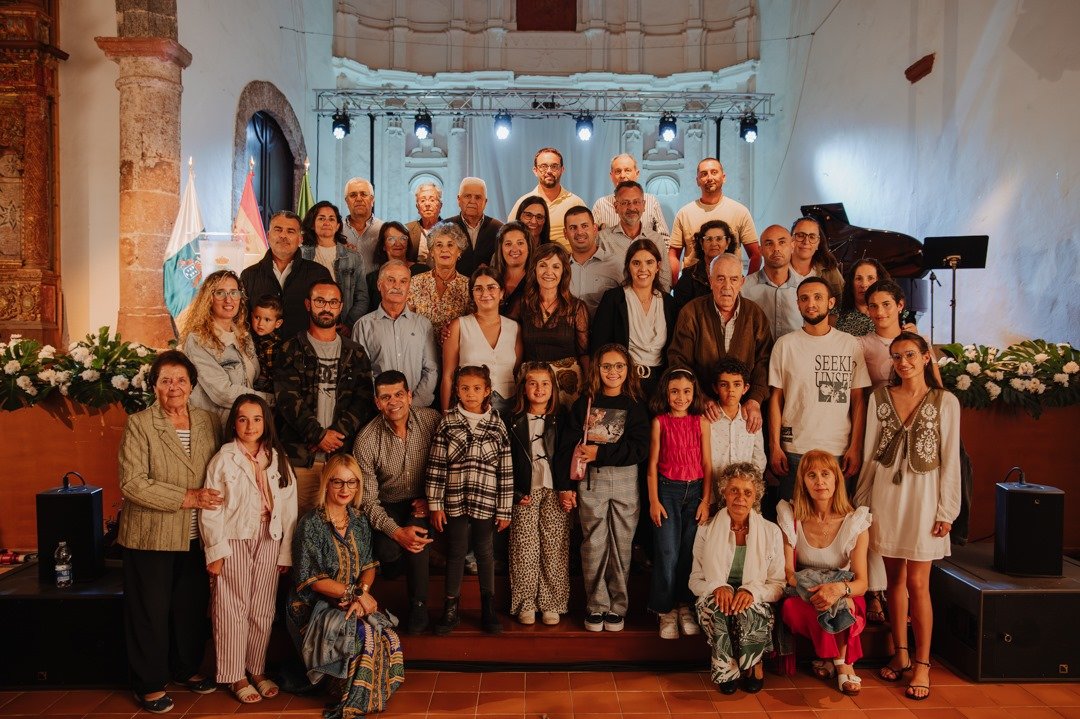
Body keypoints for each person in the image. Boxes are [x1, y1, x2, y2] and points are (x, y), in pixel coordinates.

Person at [855, 332, 961, 702]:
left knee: (919, 582)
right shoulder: (879, 399)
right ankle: (899, 651)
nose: (903, 363)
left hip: (925, 497)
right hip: (887, 493)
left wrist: (948, 509)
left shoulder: (944, 401)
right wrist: (863, 500)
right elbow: (870, 452)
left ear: (926, 357)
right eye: (896, 357)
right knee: (893, 578)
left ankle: (922, 662)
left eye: (910, 355)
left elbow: (950, 460)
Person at [117, 350, 223, 714]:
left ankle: (185, 670)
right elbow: (132, 483)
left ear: (192, 384)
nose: (174, 386)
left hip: (196, 536)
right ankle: (148, 683)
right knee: (151, 611)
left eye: (180, 379)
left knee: (189, 608)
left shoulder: (209, 422)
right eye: (165, 380)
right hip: (151, 535)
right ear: (154, 387)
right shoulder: (140, 424)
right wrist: (188, 497)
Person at [288, 455, 404, 718]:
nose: (345, 489)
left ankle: (367, 695)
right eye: (338, 482)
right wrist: (354, 594)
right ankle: (349, 695)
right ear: (326, 483)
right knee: (362, 634)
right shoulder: (311, 524)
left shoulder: (360, 520)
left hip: (350, 600)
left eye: (351, 483)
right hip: (312, 606)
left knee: (387, 635)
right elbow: (312, 580)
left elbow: (368, 566)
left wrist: (360, 594)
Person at [200, 394, 297, 704]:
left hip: (269, 537)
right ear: (234, 424)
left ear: (265, 422)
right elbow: (211, 509)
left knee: (262, 609)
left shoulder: (277, 458)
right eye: (243, 419)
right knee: (232, 608)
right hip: (234, 540)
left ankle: (256, 668)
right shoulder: (223, 459)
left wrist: (285, 552)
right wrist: (215, 550)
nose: (250, 425)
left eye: (256, 419)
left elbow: (290, 508)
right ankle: (234, 674)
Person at [556, 344, 650, 632]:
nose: (613, 372)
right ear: (596, 369)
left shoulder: (635, 404)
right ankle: (596, 605)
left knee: (621, 545)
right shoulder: (584, 402)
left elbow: (640, 448)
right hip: (591, 480)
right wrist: (565, 486)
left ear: (628, 370)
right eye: (606, 366)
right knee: (594, 542)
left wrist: (601, 453)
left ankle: (618, 607)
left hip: (624, 480)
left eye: (619, 366)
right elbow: (565, 447)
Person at [274, 280, 376, 515]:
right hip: (300, 459)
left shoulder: (355, 352)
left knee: (335, 528)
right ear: (308, 305)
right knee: (296, 527)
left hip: (340, 461)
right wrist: (317, 435)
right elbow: (287, 399)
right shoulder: (290, 349)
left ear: (341, 307)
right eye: (320, 301)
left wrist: (334, 435)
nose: (326, 308)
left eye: (332, 302)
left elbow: (362, 400)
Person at [426, 365, 514, 636]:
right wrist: (435, 504)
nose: (471, 394)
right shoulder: (448, 422)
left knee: (485, 552)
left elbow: (506, 469)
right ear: (457, 391)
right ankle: (450, 608)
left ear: (487, 390)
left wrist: (505, 509)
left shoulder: (497, 423)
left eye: (477, 388)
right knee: (456, 552)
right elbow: (436, 465)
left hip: (486, 500)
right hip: (454, 499)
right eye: (465, 388)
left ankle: (488, 608)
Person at [353, 371, 441, 635]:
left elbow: (451, 466)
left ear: (410, 396)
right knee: (389, 550)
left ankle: (418, 604)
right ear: (377, 402)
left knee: (418, 536)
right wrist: (395, 532)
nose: (394, 402)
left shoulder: (432, 421)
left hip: (423, 501)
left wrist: (432, 497)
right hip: (387, 504)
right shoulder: (366, 440)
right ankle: (397, 564)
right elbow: (368, 500)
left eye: (399, 394)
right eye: (386, 397)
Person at [776, 450, 870, 696]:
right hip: (805, 590)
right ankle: (843, 662)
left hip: (843, 589)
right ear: (803, 482)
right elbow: (788, 570)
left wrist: (837, 590)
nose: (819, 481)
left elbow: (862, 583)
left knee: (842, 605)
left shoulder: (855, 521)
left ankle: (838, 663)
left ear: (837, 479)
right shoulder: (791, 515)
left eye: (826, 474)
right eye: (812, 475)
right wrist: (815, 589)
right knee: (793, 608)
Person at [768, 277, 870, 501]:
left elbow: (858, 400)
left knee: (835, 520)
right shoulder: (785, 345)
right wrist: (774, 446)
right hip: (795, 448)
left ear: (831, 302)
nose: (810, 303)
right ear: (798, 304)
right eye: (804, 298)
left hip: (838, 450)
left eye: (817, 297)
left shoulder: (849, 344)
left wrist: (856, 446)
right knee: (792, 520)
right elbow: (776, 398)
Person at [689, 463, 784, 695]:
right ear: (724, 493)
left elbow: (778, 585)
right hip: (715, 597)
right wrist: (717, 586)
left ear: (755, 498)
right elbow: (694, 580)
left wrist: (752, 592)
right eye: (734, 490)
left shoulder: (771, 532)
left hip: (755, 597)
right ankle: (727, 668)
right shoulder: (706, 529)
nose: (740, 497)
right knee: (719, 608)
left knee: (748, 609)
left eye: (747, 492)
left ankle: (755, 663)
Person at [668, 253, 773, 431]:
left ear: (742, 282)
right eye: (720, 279)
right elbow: (679, 361)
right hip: (701, 410)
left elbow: (765, 361)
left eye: (733, 279)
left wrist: (755, 399)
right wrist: (701, 398)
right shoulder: (691, 312)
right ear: (710, 280)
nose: (727, 287)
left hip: (744, 412)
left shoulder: (755, 315)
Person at [647, 368, 712, 639]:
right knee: (667, 553)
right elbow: (651, 465)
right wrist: (653, 501)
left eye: (686, 391)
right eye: (674, 391)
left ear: (694, 393)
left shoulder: (701, 422)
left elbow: (708, 464)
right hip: (667, 492)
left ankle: (685, 605)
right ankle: (664, 609)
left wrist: (706, 501)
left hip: (695, 492)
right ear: (666, 392)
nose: (680, 397)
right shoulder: (660, 422)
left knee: (688, 553)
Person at [505, 361, 570, 626]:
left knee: (554, 548)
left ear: (553, 389)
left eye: (545, 383)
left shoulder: (563, 419)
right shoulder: (512, 421)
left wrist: (567, 489)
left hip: (554, 490)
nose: (539, 388)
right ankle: (526, 602)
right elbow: (505, 461)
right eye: (533, 383)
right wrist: (514, 492)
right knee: (524, 548)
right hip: (525, 491)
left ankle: (552, 602)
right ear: (523, 389)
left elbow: (567, 455)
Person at [590, 238, 677, 400]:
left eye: (649, 262)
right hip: (622, 384)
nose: (643, 269)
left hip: (660, 387)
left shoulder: (669, 304)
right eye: (636, 263)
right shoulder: (613, 299)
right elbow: (599, 346)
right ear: (628, 267)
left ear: (658, 266)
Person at [181, 269, 269, 424]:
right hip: (217, 427)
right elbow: (223, 393)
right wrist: (270, 400)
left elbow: (252, 379)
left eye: (234, 292)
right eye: (220, 293)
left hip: (246, 426)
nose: (229, 300)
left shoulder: (244, 336)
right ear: (209, 298)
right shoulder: (198, 339)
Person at [511, 242, 590, 406]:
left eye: (556, 266)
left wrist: (590, 387)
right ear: (534, 269)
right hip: (533, 386)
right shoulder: (522, 304)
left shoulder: (576, 308)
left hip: (568, 386)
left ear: (564, 272)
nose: (549, 272)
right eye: (543, 265)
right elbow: (502, 334)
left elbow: (584, 354)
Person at [352, 260, 439, 409]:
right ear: (379, 285)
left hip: (417, 409)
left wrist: (414, 404)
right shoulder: (363, 326)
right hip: (378, 411)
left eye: (403, 281)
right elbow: (360, 374)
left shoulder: (423, 325)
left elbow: (431, 370)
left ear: (409, 287)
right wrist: (386, 404)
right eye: (391, 280)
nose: (397, 286)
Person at [441, 267, 523, 414]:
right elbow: (448, 376)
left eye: (491, 287)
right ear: (472, 295)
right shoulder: (458, 326)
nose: (485, 294)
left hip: (509, 410)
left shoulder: (514, 328)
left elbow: (516, 371)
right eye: (478, 289)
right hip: (469, 409)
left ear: (502, 292)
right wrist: (446, 414)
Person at [240, 210, 332, 341]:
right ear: (268, 235)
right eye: (278, 230)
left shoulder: (318, 274)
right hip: (261, 356)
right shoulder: (249, 276)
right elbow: (240, 321)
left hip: (305, 354)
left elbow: (328, 317)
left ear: (300, 239)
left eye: (290, 231)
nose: (283, 235)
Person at [669, 158, 761, 280]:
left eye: (714, 172)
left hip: (729, 284)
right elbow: (673, 254)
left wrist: (747, 284)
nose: (709, 178)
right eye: (704, 174)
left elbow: (755, 254)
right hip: (693, 285)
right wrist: (675, 283)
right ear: (697, 181)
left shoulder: (740, 212)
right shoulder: (684, 213)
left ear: (723, 177)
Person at [300, 201, 369, 327]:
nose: (326, 223)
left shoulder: (354, 257)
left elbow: (362, 297)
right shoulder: (300, 254)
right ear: (312, 224)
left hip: (341, 325)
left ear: (337, 226)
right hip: (307, 325)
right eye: (321, 218)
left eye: (331, 219)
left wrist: (348, 325)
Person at [597, 180, 672, 292]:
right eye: (625, 203)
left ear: (644, 205)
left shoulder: (656, 239)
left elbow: (664, 280)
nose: (631, 208)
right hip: (614, 305)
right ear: (616, 207)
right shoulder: (602, 238)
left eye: (636, 202)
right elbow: (599, 280)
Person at [407, 221, 471, 347]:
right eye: (439, 245)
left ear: (459, 252)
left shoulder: (468, 285)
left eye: (450, 245)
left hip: (457, 351)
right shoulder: (416, 282)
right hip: (420, 349)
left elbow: (472, 327)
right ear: (431, 252)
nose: (444, 250)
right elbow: (407, 322)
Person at [508, 147, 585, 250]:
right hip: (531, 262)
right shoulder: (523, 203)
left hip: (568, 262)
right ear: (535, 170)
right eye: (543, 166)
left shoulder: (575, 203)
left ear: (562, 170)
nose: (549, 171)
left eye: (554, 166)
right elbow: (509, 235)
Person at [741, 225, 805, 339]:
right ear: (760, 250)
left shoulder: (805, 288)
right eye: (769, 243)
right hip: (756, 356)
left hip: (794, 355)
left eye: (782, 242)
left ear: (792, 246)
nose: (776, 248)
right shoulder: (743, 288)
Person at [709, 358, 767, 483]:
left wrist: (752, 487)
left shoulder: (752, 418)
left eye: (737, 384)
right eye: (724, 384)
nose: (731, 390)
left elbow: (758, 458)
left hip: (744, 491)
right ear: (715, 388)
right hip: (713, 488)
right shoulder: (709, 419)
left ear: (745, 388)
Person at [591, 153, 670, 235]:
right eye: (618, 171)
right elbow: (591, 239)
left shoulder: (651, 201)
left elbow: (664, 238)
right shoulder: (601, 205)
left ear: (637, 174)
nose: (622, 175)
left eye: (627, 170)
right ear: (611, 176)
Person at [565, 205, 623, 317]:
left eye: (585, 226)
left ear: (595, 229)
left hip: (605, 333)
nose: (579, 232)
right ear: (565, 233)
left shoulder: (616, 265)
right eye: (573, 228)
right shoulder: (559, 267)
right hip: (568, 333)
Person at [364, 220, 430, 312]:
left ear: (408, 243)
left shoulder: (423, 272)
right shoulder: (372, 279)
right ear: (383, 245)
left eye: (403, 238)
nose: (398, 243)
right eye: (391, 239)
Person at [673, 220, 737, 312]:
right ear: (701, 243)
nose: (714, 244)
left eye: (719, 239)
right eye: (708, 239)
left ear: (727, 242)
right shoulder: (689, 276)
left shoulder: (737, 275)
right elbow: (682, 313)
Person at [447, 177, 503, 277]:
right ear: (459, 200)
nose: (472, 201)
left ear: (485, 202)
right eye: (467, 196)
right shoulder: (445, 228)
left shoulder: (499, 228)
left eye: (477, 197)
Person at [789, 217, 843, 303]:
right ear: (791, 239)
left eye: (812, 237)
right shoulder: (779, 267)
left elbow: (842, 303)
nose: (806, 241)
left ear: (818, 243)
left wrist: (832, 316)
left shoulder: (830, 271)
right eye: (800, 235)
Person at [838, 258, 892, 337]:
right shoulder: (837, 314)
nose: (864, 285)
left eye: (870, 278)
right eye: (859, 279)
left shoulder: (893, 310)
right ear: (851, 284)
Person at [490, 221, 531, 315]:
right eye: (508, 244)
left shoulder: (538, 280)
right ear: (501, 248)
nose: (515, 249)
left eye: (520, 243)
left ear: (528, 246)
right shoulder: (491, 280)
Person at [341, 177, 383, 267]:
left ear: (372, 200)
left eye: (364, 194)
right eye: (353, 195)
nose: (359, 199)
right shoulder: (336, 230)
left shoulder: (383, 229)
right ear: (346, 201)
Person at [250, 295, 284, 395]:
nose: (260, 323)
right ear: (252, 316)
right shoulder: (250, 339)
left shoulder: (275, 346)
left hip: (266, 392)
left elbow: (275, 376)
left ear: (278, 323)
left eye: (267, 320)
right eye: (257, 317)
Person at [405, 182, 443, 263]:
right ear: (417, 207)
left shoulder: (451, 230)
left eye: (432, 200)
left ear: (440, 206)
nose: (427, 204)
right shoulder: (407, 230)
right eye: (422, 200)